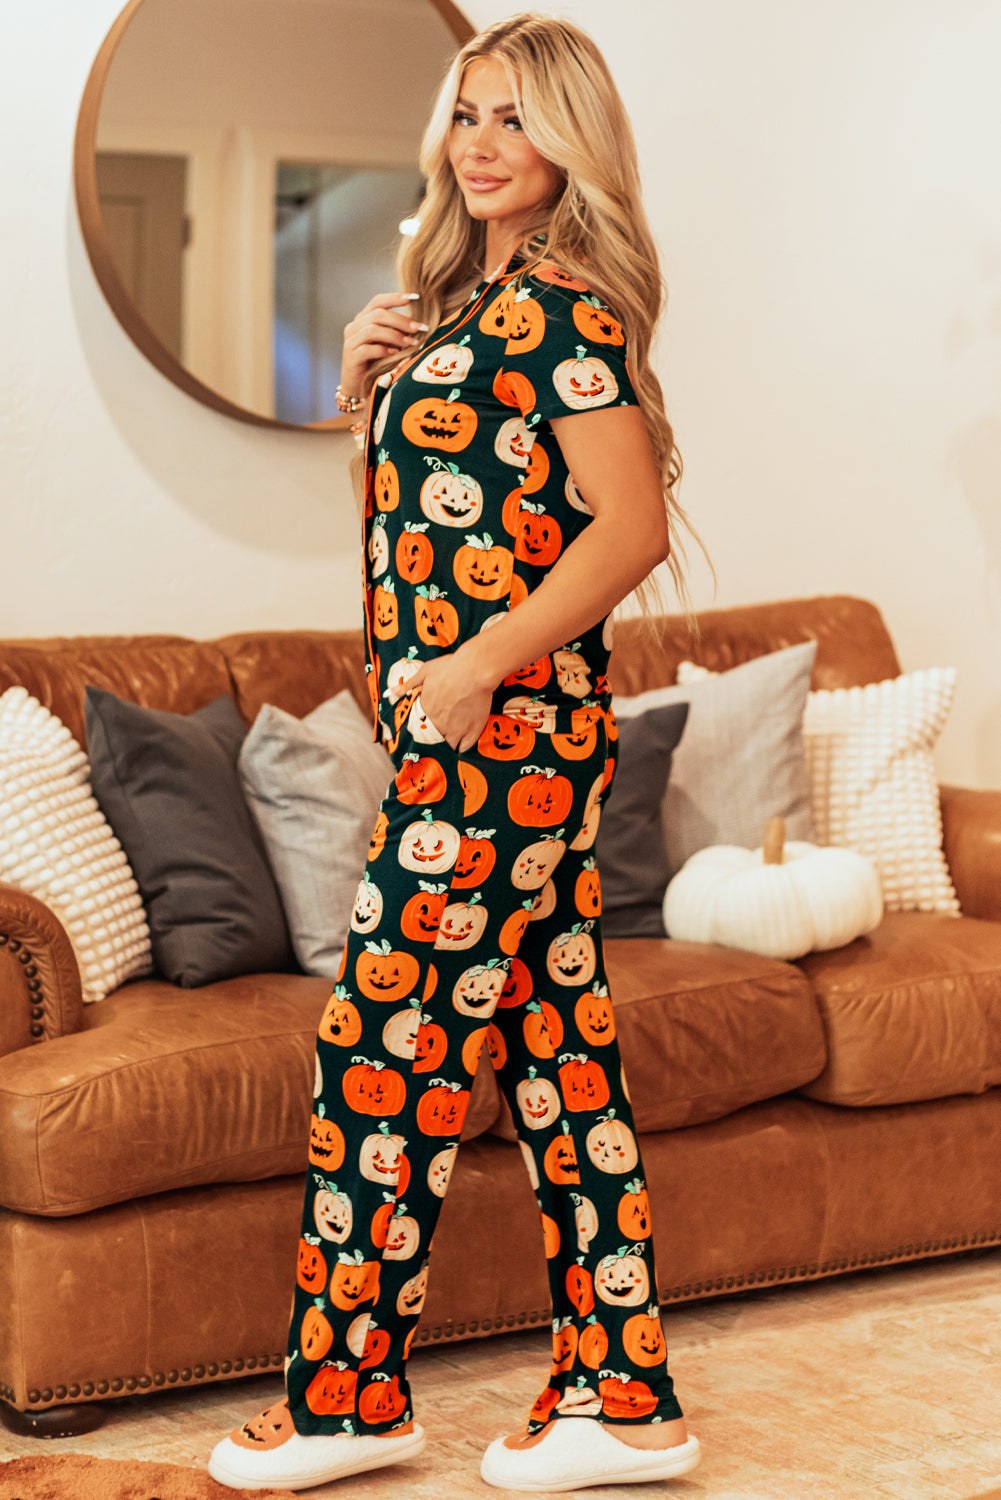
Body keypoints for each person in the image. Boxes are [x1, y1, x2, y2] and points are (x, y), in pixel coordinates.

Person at [209, 12, 705, 1493]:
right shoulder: (468, 310)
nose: (483, 145)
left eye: (517, 118)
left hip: (506, 747)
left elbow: (631, 529)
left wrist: (481, 663)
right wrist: (368, 392)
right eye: (469, 114)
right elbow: (444, 517)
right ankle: (625, 1402)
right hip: (476, 746)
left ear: (572, 142)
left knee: (380, 1049)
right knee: (558, 1061)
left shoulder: (563, 310)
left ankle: (347, 1399)